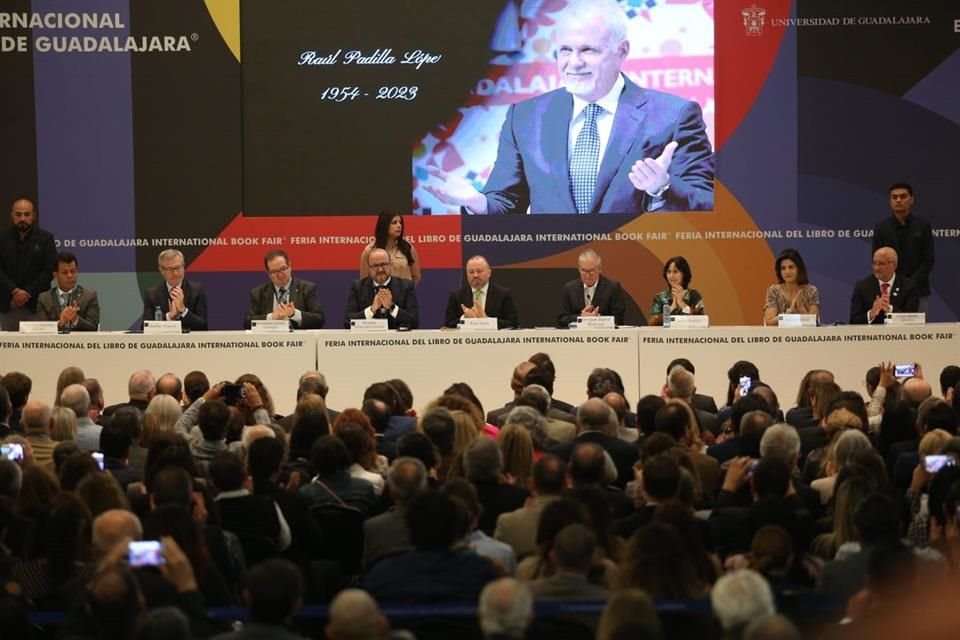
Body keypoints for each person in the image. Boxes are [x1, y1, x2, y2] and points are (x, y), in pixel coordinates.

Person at [424, 0, 713, 214]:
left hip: (640, 263)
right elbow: (506, 203)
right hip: (551, 269)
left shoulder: (674, 115)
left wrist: (662, 187)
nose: (574, 63)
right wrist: (478, 202)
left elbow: (706, 201)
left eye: (588, 50)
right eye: (565, 50)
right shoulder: (524, 117)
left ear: (621, 51)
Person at [872, 182, 934, 312]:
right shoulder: (881, 228)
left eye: (903, 196)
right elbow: (877, 261)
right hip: (889, 290)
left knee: (919, 331)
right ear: (890, 201)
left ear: (911, 200)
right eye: (894, 197)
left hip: (918, 291)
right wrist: (894, 282)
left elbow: (928, 260)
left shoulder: (923, 226)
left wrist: (910, 284)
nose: (898, 200)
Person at [0, 197, 57, 331]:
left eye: (27, 214)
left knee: (39, 349)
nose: (23, 218)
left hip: (37, 305)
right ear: (12, 215)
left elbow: (49, 271)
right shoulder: (2, 239)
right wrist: (14, 291)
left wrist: (26, 293)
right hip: (9, 304)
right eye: (18, 214)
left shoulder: (46, 239)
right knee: (10, 349)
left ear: (34, 215)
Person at [243, 248, 325, 329]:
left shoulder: (306, 288)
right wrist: (271, 317)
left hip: (298, 340)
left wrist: (294, 314)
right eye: (274, 272)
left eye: (283, 269)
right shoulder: (258, 293)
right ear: (268, 273)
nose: (280, 275)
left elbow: (319, 319)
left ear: (289, 266)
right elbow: (247, 323)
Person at [345, 247, 419, 329]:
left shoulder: (406, 286)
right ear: (369, 268)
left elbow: (414, 322)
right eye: (375, 266)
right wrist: (372, 309)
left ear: (391, 265)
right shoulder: (358, 287)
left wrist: (391, 307)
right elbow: (348, 323)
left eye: (384, 264)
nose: (380, 269)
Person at [444, 255, 519, 329]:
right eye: (471, 272)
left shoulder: (503, 294)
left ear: (489, 273)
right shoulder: (456, 295)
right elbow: (448, 324)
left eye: (479, 271)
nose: (475, 275)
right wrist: (464, 318)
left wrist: (487, 321)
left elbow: (513, 323)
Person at [850, 247, 920, 324]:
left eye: (881, 264)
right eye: (874, 263)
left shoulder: (909, 286)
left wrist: (890, 309)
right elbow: (853, 321)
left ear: (894, 265)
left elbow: (913, 320)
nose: (876, 268)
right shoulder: (862, 286)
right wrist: (871, 314)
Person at [557, 249, 627, 327]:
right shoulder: (569, 289)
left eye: (591, 271)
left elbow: (619, 320)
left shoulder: (613, 288)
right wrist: (581, 317)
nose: (587, 275)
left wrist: (599, 319)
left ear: (600, 269)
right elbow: (562, 319)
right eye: (583, 271)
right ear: (579, 269)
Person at [142, 249, 208, 330]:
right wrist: (169, 316)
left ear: (183, 266)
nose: (175, 273)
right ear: (161, 270)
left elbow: (203, 325)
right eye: (170, 269)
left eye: (178, 267)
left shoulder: (196, 290)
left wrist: (183, 310)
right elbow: (145, 327)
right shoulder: (152, 294)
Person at [34, 252, 100, 331]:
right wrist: (60, 323)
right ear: (55, 275)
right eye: (65, 273)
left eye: (73, 271)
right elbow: (41, 329)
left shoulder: (89, 296)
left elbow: (93, 328)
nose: (70, 276)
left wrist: (75, 319)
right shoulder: (44, 299)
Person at [359, 211, 422, 285]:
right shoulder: (369, 251)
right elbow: (364, 281)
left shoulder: (408, 248)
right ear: (384, 225)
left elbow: (416, 276)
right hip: (379, 295)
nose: (399, 226)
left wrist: (407, 293)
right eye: (394, 223)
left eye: (400, 222)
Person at [762, 248, 820, 325]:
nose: (787, 272)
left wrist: (800, 309)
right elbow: (770, 321)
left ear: (798, 269)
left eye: (791, 267)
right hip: (780, 335)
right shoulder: (774, 291)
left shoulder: (811, 291)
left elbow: (814, 321)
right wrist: (788, 314)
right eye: (783, 268)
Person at [648, 256, 704, 326]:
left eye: (675, 271)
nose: (671, 276)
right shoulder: (660, 297)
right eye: (669, 272)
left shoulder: (694, 295)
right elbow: (652, 322)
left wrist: (682, 303)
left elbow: (701, 320)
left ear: (684, 273)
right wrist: (671, 308)